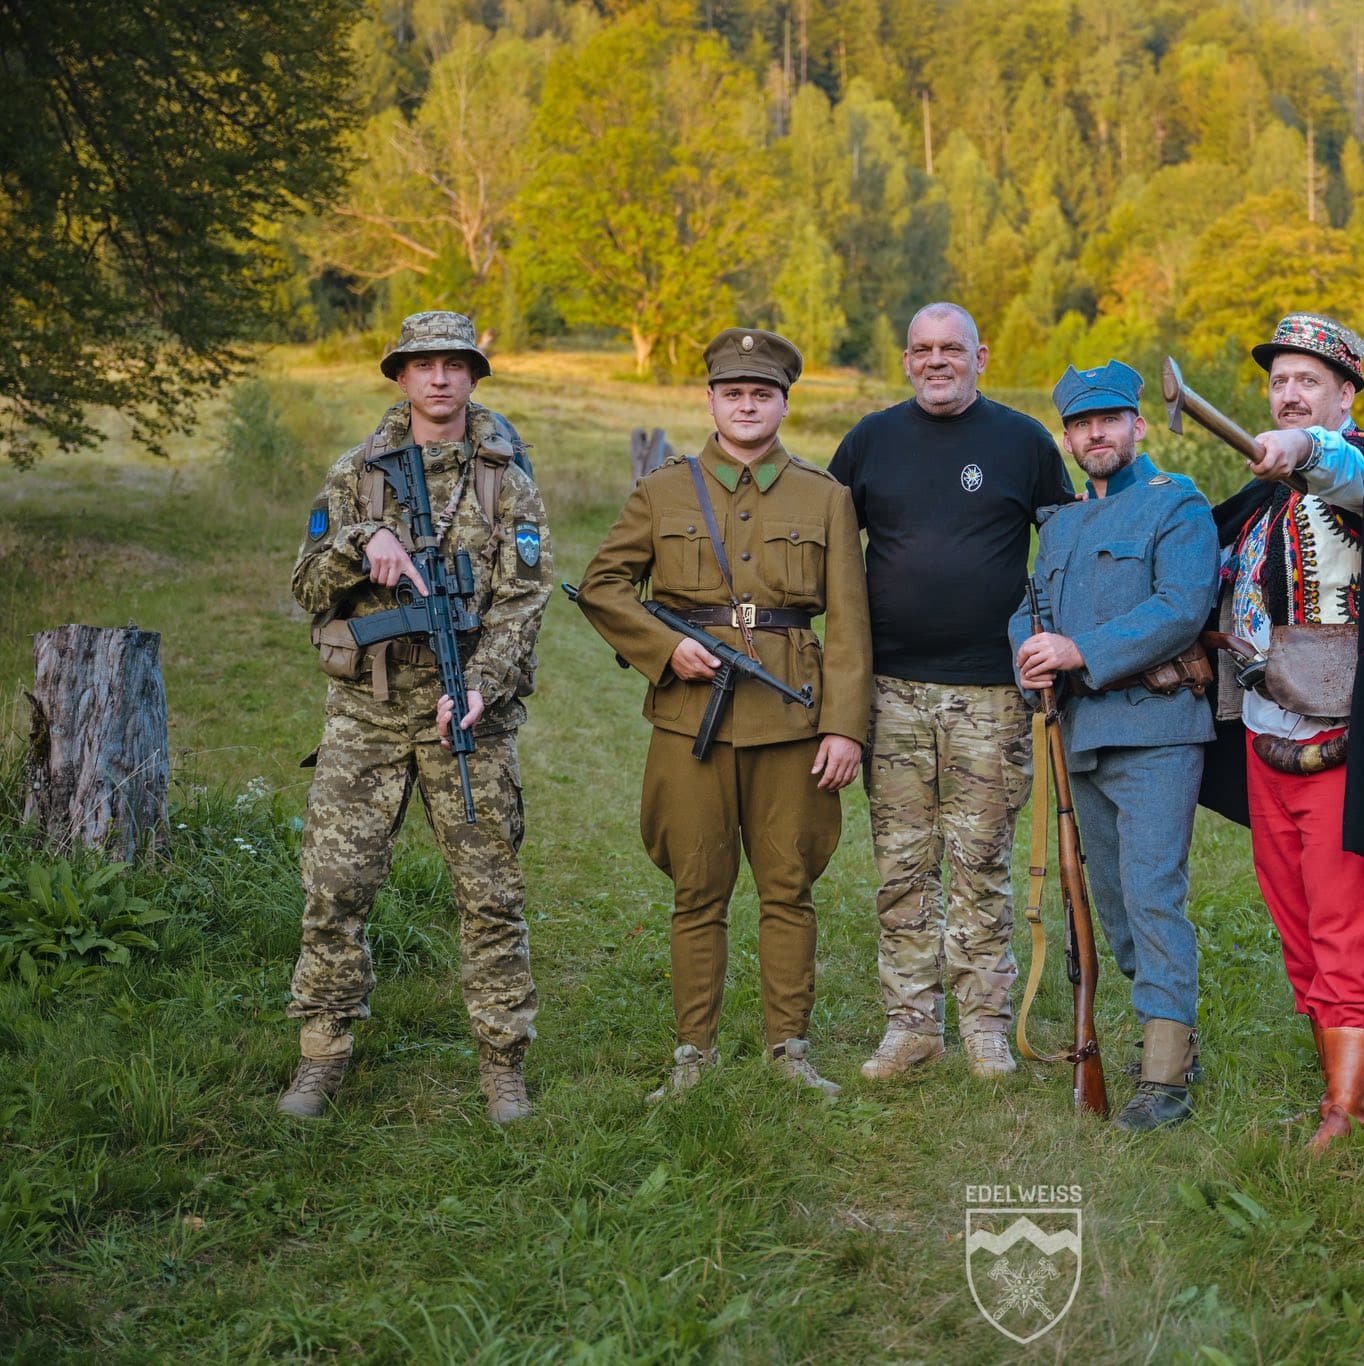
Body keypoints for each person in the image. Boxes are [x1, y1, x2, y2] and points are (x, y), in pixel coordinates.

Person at [575, 328, 871, 1100]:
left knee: (788, 886)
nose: (746, 405)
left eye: (761, 393)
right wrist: (664, 648)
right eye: (733, 393)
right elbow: (602, 586)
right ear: (710, 401)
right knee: (697, 889)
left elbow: (849, 624)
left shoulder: (825, 496)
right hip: (690, 719)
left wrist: (845, 727)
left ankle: (789, 1051)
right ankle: (693, 1055)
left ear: (783, 404)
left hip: (791, 720)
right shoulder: (663, 491)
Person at [279, 310, 551, 1124]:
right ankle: (322, 1053)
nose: (439, 377)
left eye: (454, 364)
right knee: (335, 889)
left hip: (466, 716)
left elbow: (523, 602)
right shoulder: (357, 473)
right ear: (401, 376)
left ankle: (503, 1063)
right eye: (424, 364)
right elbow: (305, 586)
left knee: (491, 896)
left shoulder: (506, 477)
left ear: (473, 376)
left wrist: (482, 685)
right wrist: (362, 543)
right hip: (367, 713)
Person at [1196, 312, 1364, 1152]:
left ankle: (1348, 1111)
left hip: (1340, 741)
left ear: (1346, 394)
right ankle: (1334, 1077)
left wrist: (1301, 449)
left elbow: (1342, 469)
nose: (1290, 394)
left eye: (1309, 381)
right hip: (1263, 736)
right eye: (1279, 382)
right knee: (1293, 917)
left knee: (1343, 920)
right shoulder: (1263, 502)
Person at [827, 303, 1073, 1081]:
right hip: (891, 692)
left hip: (992, 694)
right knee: (903, 866)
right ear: (907, 359)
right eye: (923, 349)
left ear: (980, 356)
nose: (937, 361)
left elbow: (1067, 552)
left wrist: (1058, 646)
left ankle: (985, 1026)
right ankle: (911, 1027)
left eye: (952, 349)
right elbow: (825, 549)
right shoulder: (870, 441)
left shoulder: (1023, 442)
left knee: (980, 862)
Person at [1007, 361, 1216, 1131]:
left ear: (1138, 425)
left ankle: (1165, 1080)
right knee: (1114, 906)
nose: (1095, 434)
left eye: (1108, 419)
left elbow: (1180, 607)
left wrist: (1079, 650)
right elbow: (1031, 605)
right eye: (1080, 424)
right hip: (1081, 733)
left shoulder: (1176, 504)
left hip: (1156, 727)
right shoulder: (1059, 525)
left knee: (1153, 896)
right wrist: (1028, 654)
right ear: (1067, 439)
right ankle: (1168, 1036)